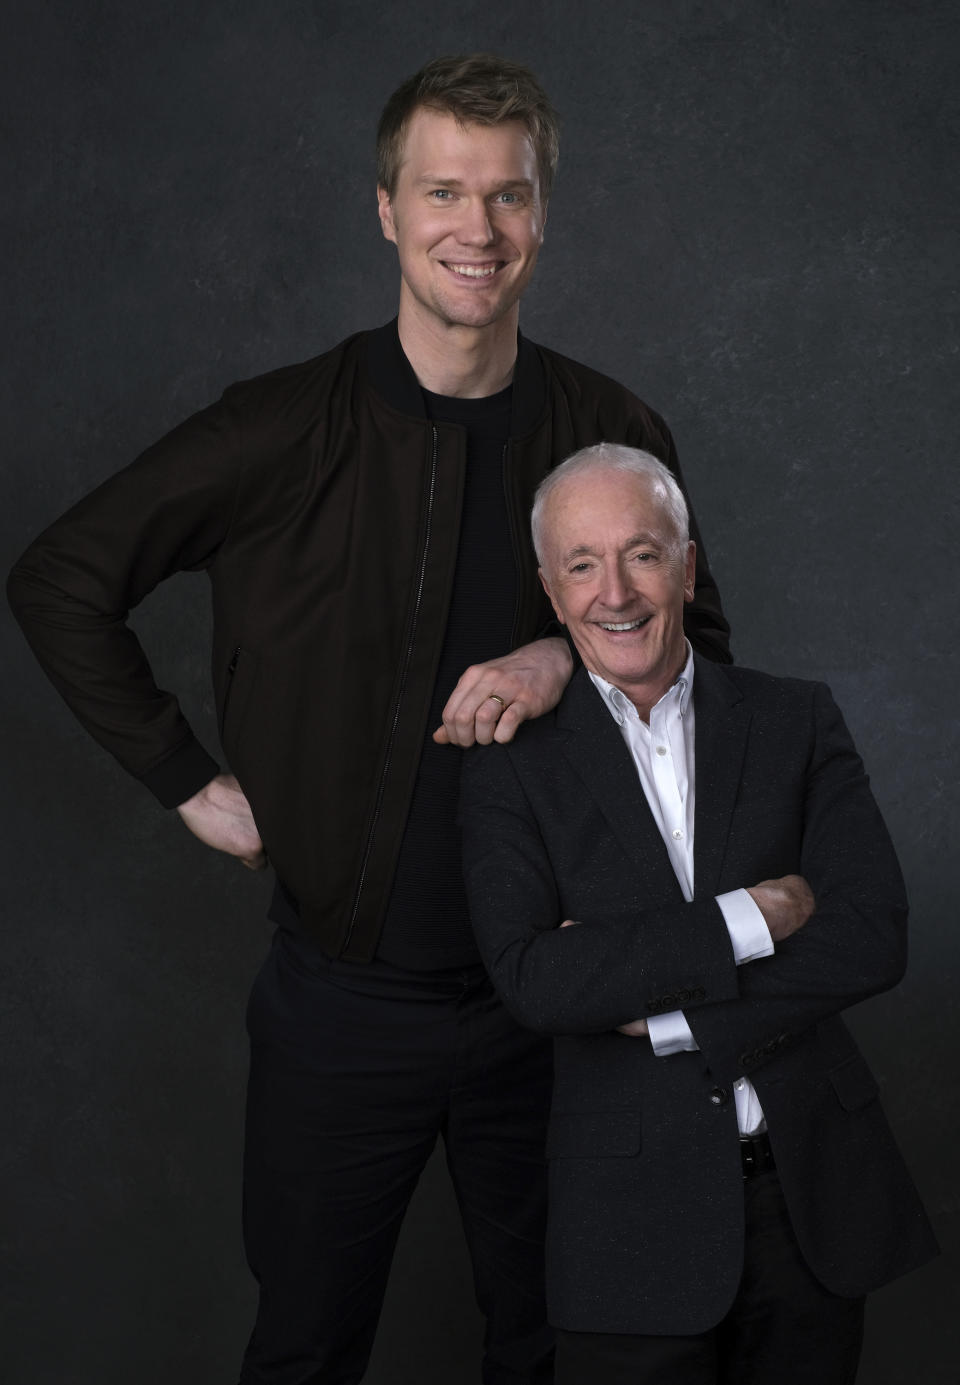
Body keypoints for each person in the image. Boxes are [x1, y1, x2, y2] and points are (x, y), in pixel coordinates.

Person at [8, 58, 731, 1385]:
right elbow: (57, 578)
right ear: (387, 210)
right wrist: (185, 777)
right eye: (444, 191)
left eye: (507, 196)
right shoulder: (279, 428)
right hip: (342, 1010)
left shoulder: (610, 428)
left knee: (572, 1345)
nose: (479, 227)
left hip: (564, 1008)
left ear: (545, 216)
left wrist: (566, 656)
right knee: (303, 1351)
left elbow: (714, 671)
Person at [460, 444, 938, 1385]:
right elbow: (537, 978)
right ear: (551, 594)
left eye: (642, 552)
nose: (616, 592)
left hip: (811, 1201)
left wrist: (670, 1010)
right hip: (630, 1221)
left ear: (686, 564)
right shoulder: (509, 765)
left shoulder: (796, 718)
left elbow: (872, 930)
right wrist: (753, 918)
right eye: (582, 564)